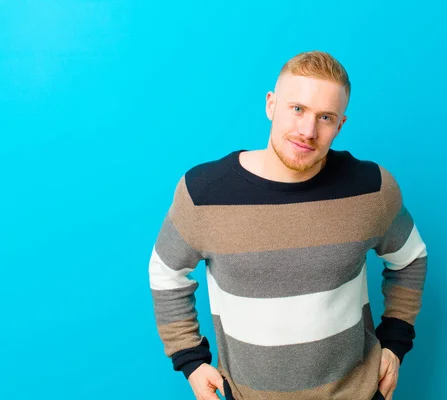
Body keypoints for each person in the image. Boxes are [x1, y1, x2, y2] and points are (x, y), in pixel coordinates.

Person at [148, 50, 428, 400]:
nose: (308, 131)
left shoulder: (371, 188)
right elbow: (165, 271)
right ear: (271, 105)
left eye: (325, 117)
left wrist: (396, 340)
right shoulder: (203, 192)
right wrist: (189, 358)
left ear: (340, 125)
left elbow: (410, 257)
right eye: (297, 109)